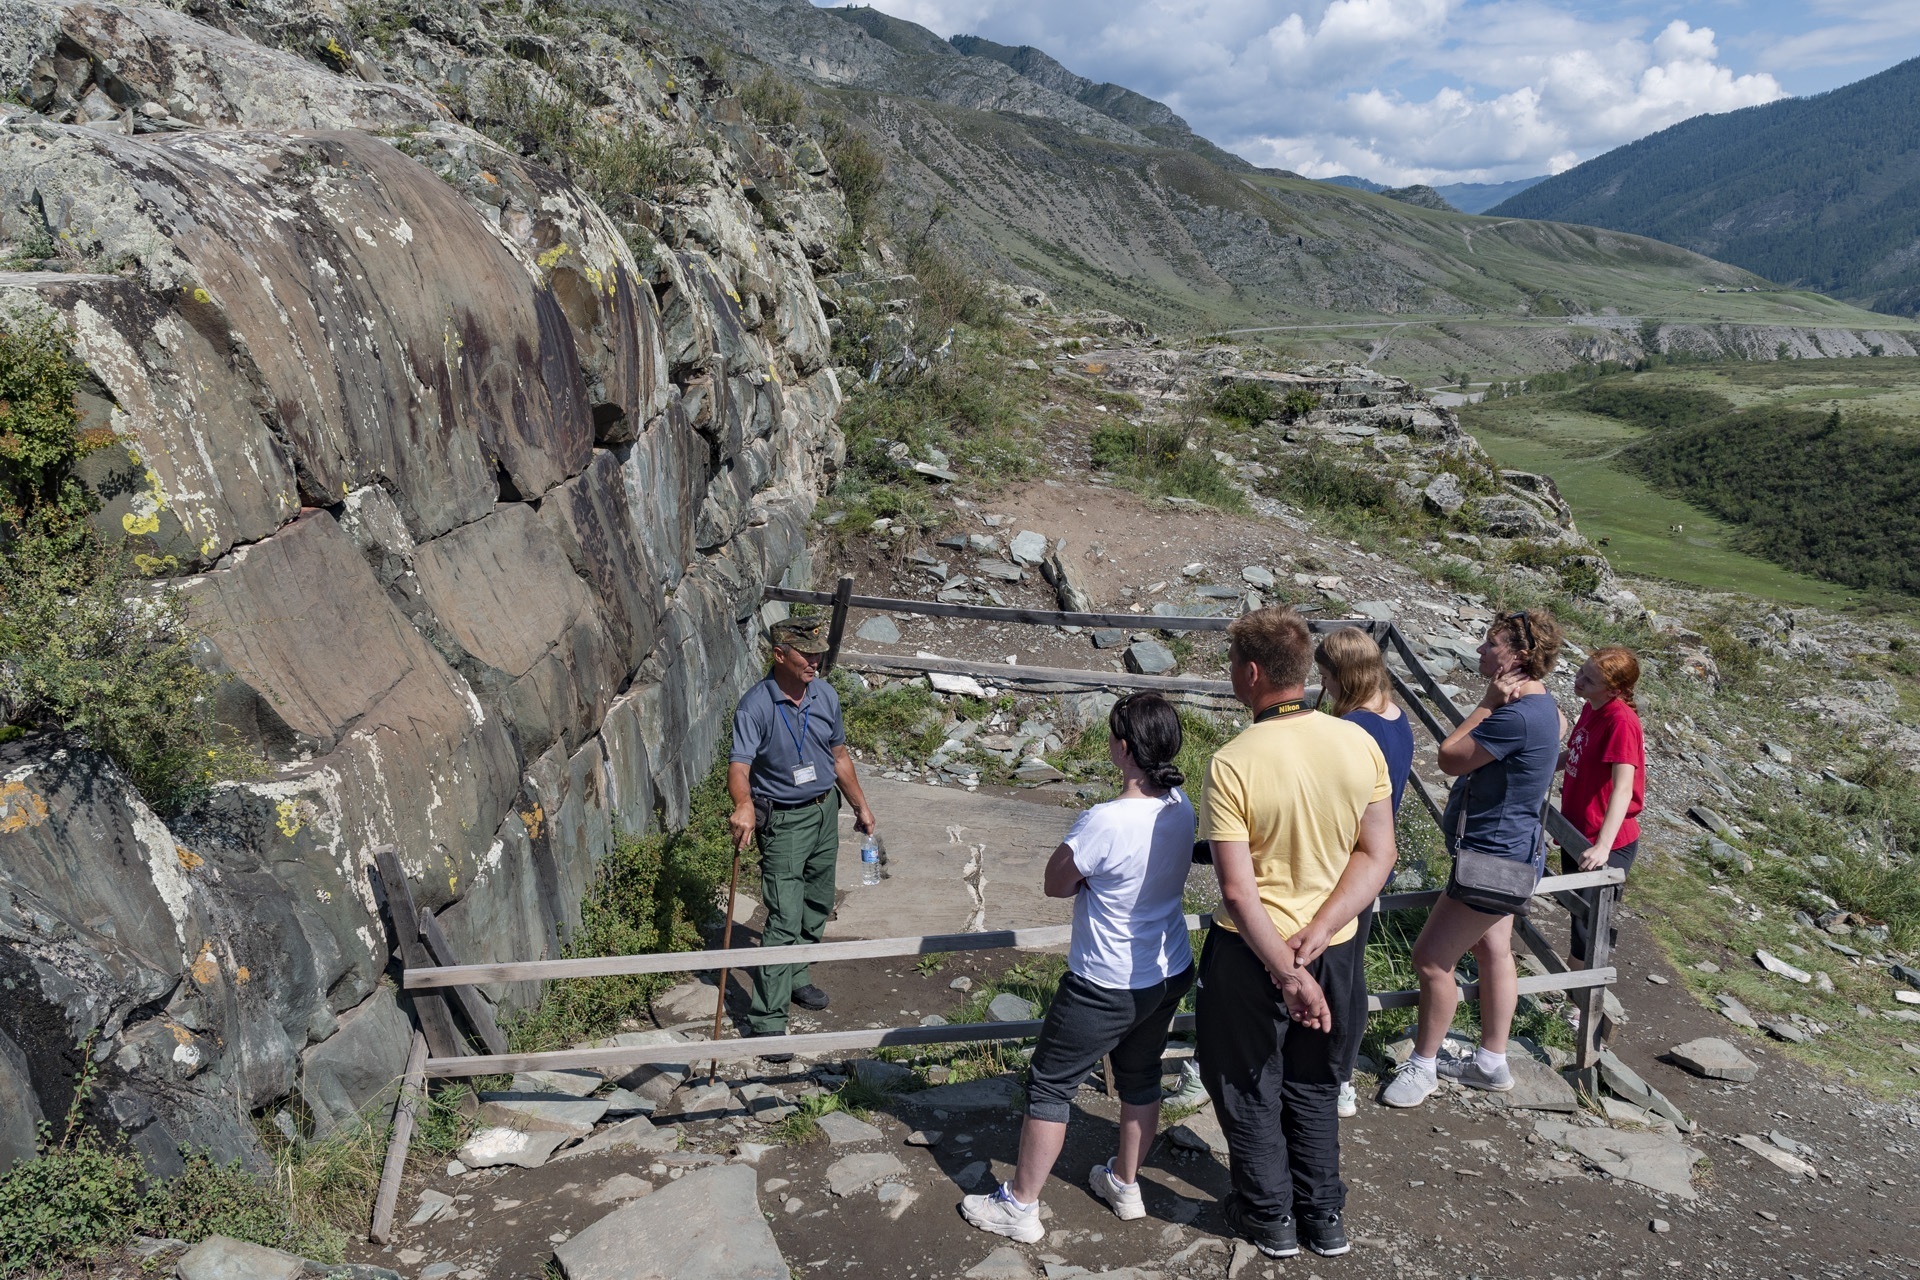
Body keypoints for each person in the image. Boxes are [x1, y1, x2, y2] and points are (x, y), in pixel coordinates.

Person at [961, 693, 1197, 1242]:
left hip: (1106, 979)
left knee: (1049, 1085)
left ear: (1122, 747)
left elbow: (1054, 882)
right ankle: (1125, 1183)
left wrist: (1091, 876)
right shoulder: (1179, 804)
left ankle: (1019, 1205)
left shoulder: (1105, 820)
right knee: (1140, 1076)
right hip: (1168, 967)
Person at [1199, 607, 1397, 1260]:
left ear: (1251, 673)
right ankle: (1325, 1218)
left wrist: (1286, 969)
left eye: (1233, 666)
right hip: (1332, 951)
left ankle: (1270, 1218)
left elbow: (1236, 890)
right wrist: (1322, 929)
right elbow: (1377, 855)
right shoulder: (1358, 743)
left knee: (1246, 1083)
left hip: (1252, 955)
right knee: (1314, 1082)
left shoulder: (1232, 762)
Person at [1381, 608, 1565, 1108]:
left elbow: (1449, 756)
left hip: (1490, 858)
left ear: (1518, 656)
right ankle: (1491, 1061)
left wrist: (1485, 704)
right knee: (1493, 951)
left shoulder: (1516, 716)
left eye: (1491, 644)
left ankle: (1422, 1066)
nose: (1481, 652)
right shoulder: (1548, 708)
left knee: (1431, 959)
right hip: (1514, 853)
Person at [727, 617, 878, 1062]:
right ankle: (769, 1024)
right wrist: (744, 805)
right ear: (779, 655)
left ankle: (796, 977)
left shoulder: (825, 694)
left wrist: (860, 806)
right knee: (783, 917)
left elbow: (839, 757)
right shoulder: (755, 706)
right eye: (806, 654)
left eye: (818, 653)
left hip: (823, 810)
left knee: (817, 900)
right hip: (785, 822)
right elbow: (740, 768)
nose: (815, 661)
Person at [1312, 627, 1415, 1118]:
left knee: (1335, 975)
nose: (1323, 685)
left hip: (1342, 866)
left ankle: (1332, 1077)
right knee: (1350, 973)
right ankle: (1341, 1073)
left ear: (1341, 675)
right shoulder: (1397, 717)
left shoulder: (1353, 728)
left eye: (1326, 676)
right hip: (1373, 863)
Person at [1557, 646, 1645, 973]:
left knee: (1588, 921)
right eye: (1581, 671)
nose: (1578, 680)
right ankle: (1575, 996)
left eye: (1588, 679)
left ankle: (1581, 1004)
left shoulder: (1621, 722)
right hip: (1577, 830)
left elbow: (1624, 787)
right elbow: (1575, 755)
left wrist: (1603, 847)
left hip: (1603, 840)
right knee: (1578, 912)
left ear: (1614, 690)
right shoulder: (1591, 707)